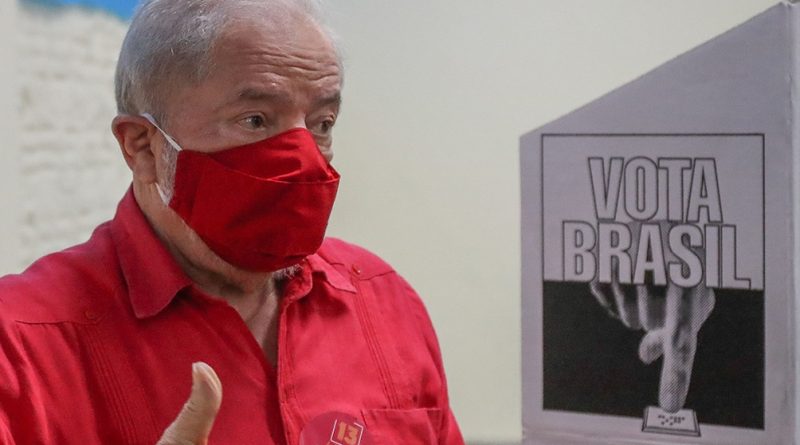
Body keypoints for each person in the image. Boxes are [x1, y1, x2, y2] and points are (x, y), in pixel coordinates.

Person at [0, 1, 465, 444]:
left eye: (322, 123)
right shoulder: (22, 348)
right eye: (256, 120)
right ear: (143, 146)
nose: (304, 160)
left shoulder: (385, 303)